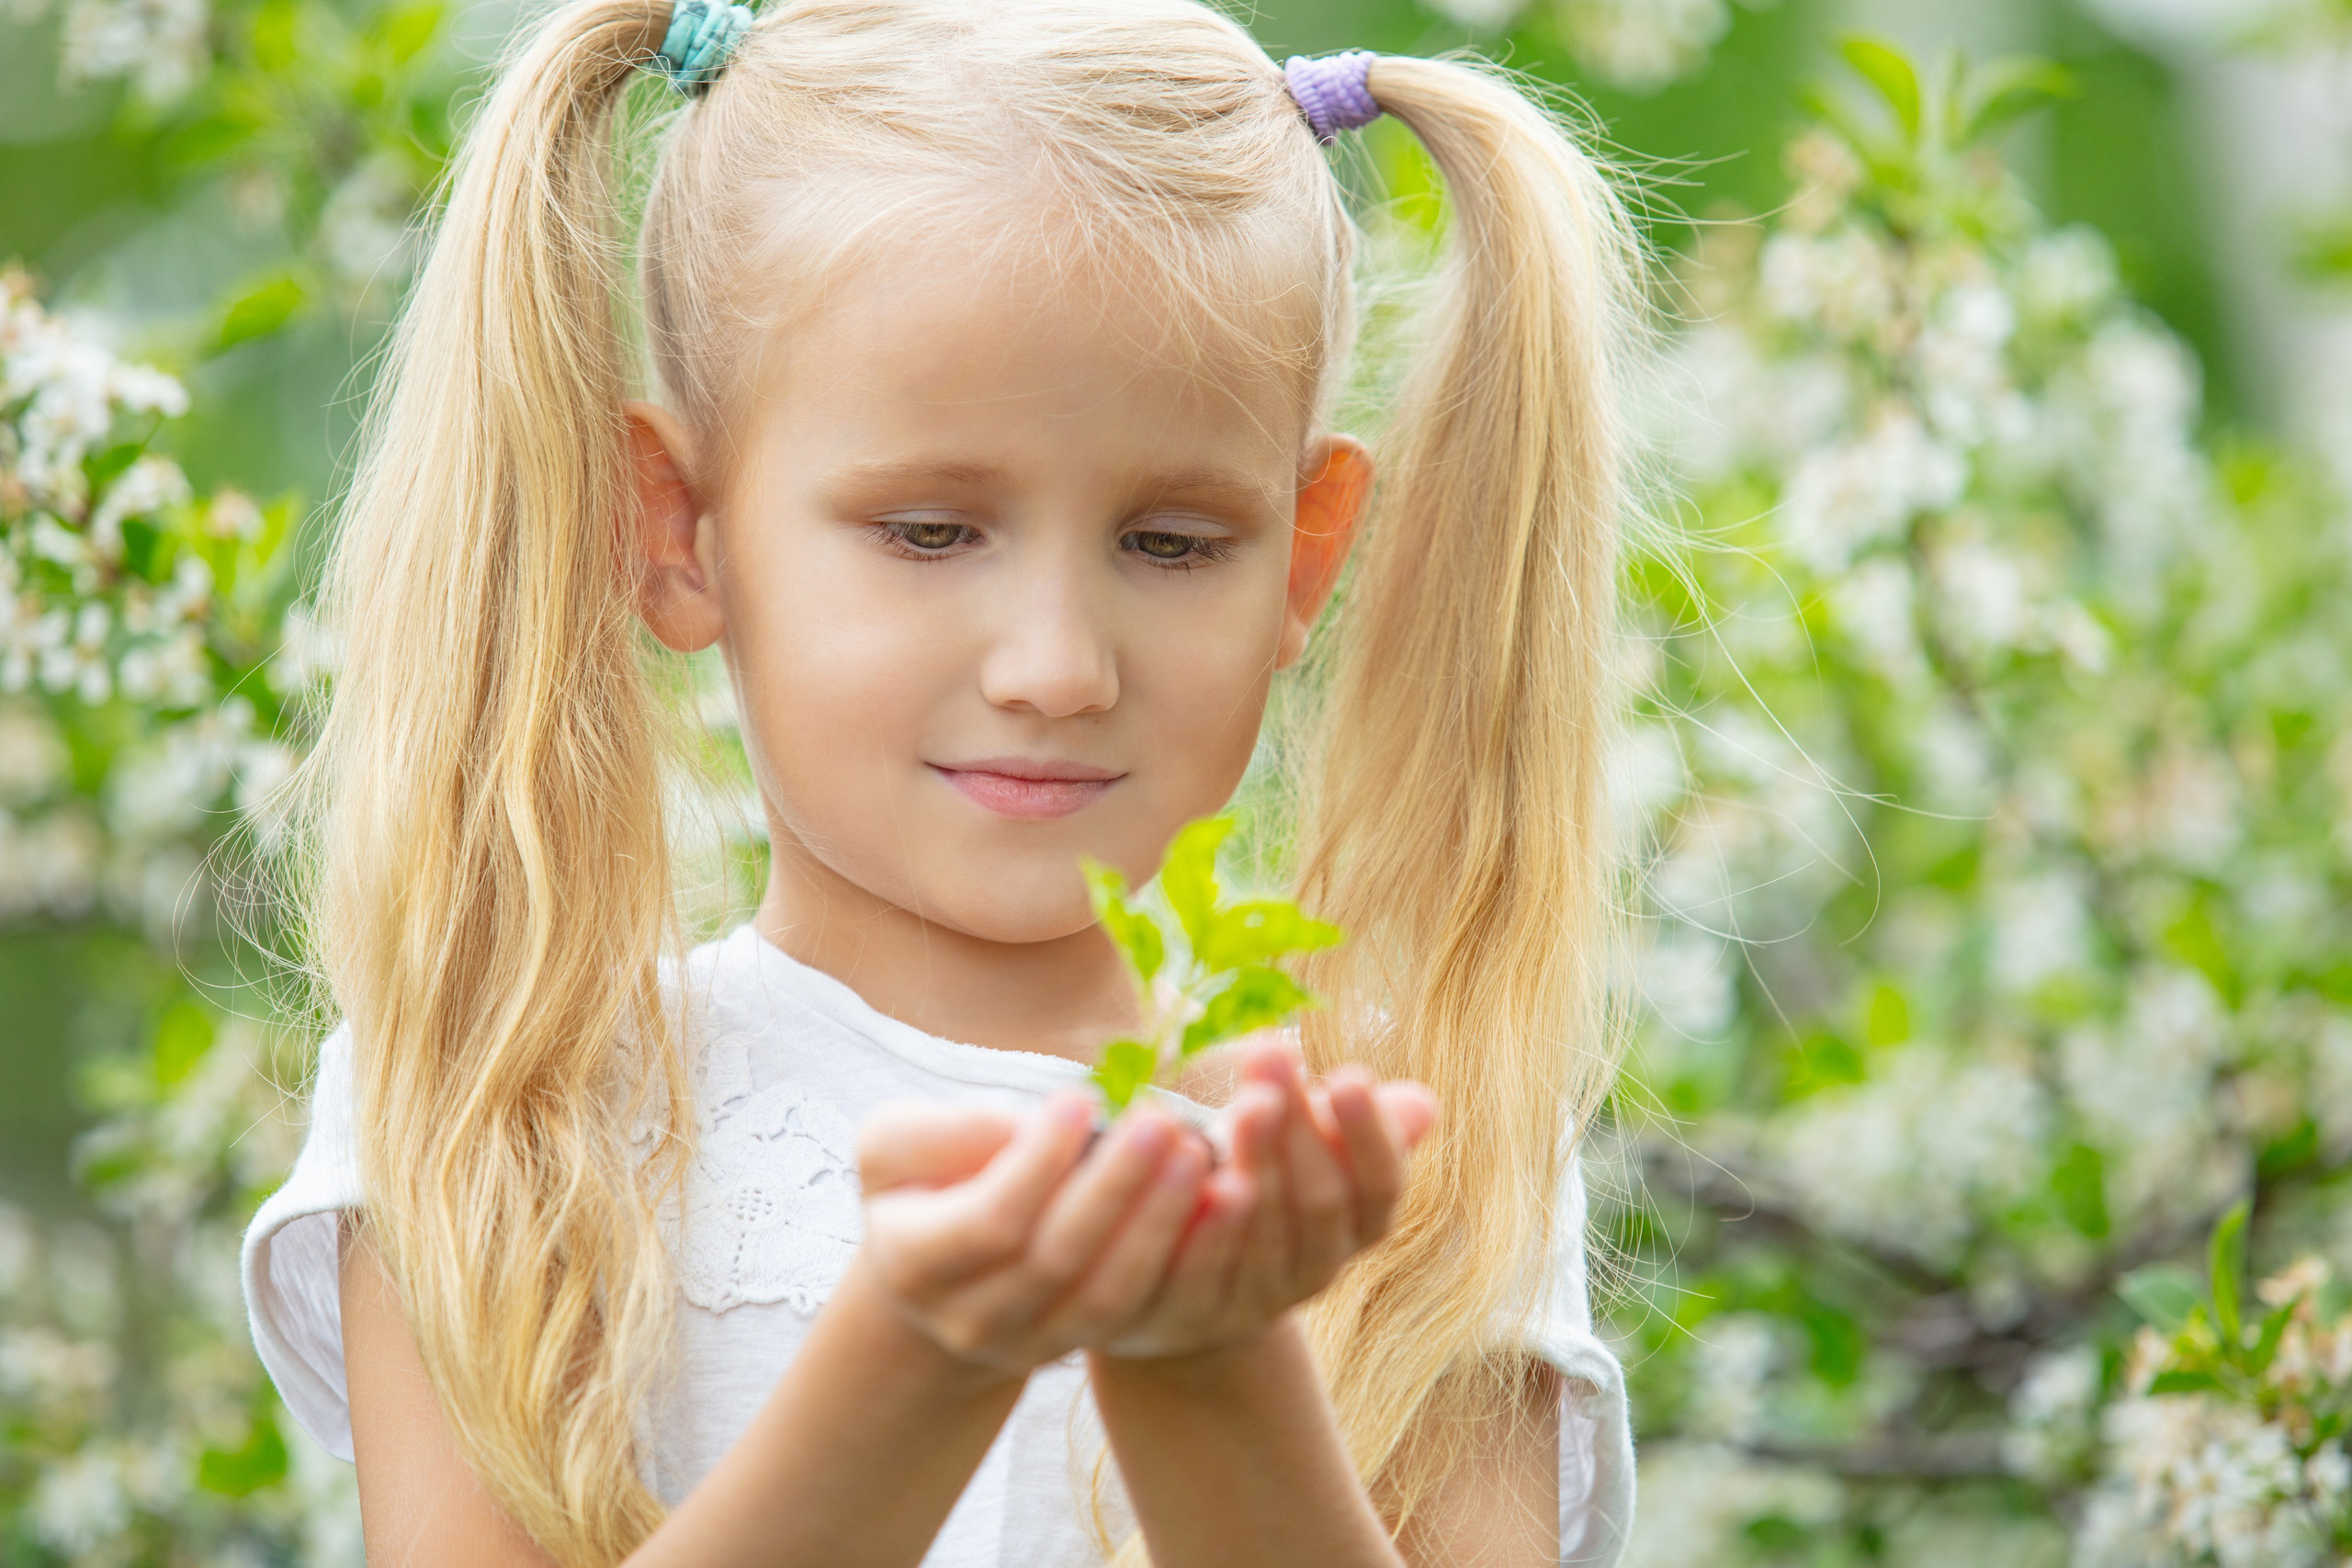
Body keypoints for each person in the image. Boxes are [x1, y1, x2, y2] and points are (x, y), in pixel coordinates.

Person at [239, 0, 1646, 1562]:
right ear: (677, 528)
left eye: (1173, 543)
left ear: (1305, 556)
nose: (1058, 665)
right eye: (929, 532)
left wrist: (1205, 1363)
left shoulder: (1388, 1156)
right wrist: (919, 1360)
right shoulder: (509, 1108)